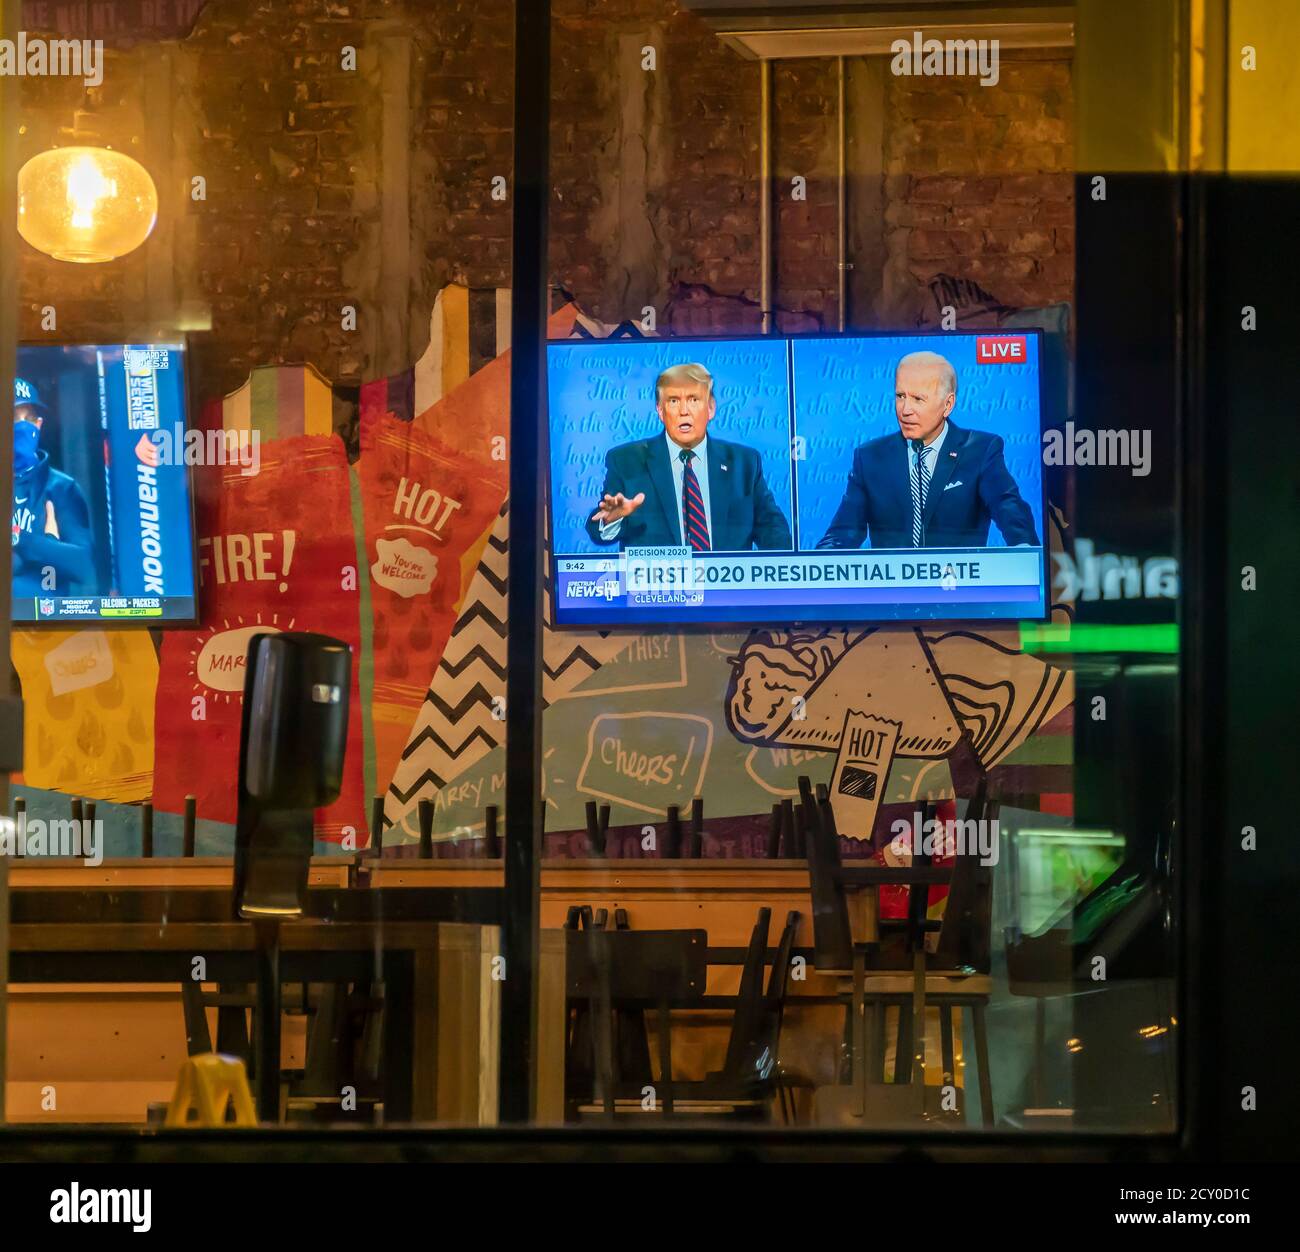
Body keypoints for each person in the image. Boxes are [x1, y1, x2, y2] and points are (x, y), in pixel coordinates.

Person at [816, 349, 1039, 550]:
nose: (905, 410)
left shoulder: (980, 451)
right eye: (900, 396)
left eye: (918, 399)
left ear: (948, 405)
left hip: (960, 588)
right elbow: (841, 535)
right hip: (893, 592)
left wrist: (1027, 558)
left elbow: (1012, 515)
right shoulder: (870, 457)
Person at [586, 362, 792, 552]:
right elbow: (597, 529)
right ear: (660, 410)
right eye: (674, 401)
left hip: (727, 589)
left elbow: (773, 529)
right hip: (660, 589)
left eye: (693, 400)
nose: (684, 411)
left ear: (711, 408)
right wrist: (612, 520)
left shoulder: (744, 462)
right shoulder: (627, 461)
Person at [12, 377, 95, 596]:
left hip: (49, 624)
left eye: (28, 418)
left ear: (38, 424)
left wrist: (20, 540)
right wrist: (49, 547)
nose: (21, 426)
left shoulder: (61, 488)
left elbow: (84, 568)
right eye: (12, 417)